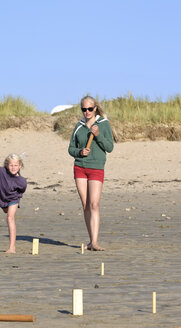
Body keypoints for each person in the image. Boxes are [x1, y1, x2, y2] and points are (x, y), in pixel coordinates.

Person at [68, 96, 114, 251]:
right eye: (84, 109)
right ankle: (90, 240)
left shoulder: (104, 124)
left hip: (96, 167)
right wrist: (80, 151)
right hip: (80, 167)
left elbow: (109, 147)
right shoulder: (79, 126)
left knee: (94, 204)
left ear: (95, 108)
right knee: (86, 204)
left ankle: (95, 242)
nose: (87, 112)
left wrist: (99, 134)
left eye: (90, 109)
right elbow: (71, 149)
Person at [0, 139, 27, 253]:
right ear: (7, 165)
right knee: (6, 212)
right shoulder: (1, 171)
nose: (13, 167)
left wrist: (16, 199)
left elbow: (22, 190)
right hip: (0, 198)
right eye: (11, 165)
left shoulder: (22, 181)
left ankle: (12, 247)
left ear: (20, 166)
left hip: (13, 199)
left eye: (16, 165)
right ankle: (6, 208)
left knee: (10, 218)